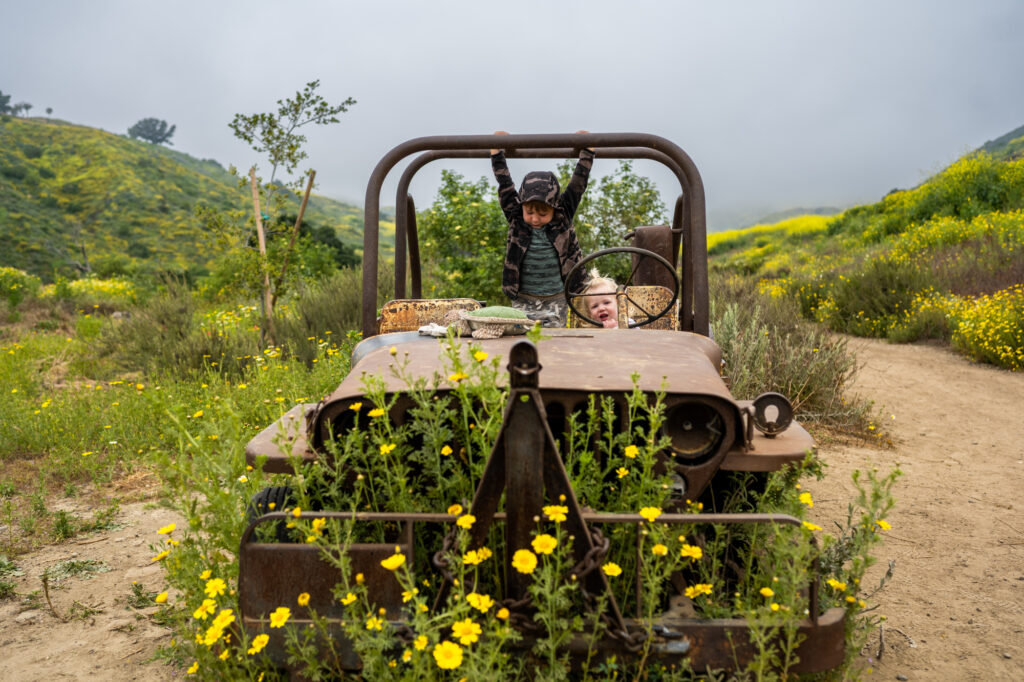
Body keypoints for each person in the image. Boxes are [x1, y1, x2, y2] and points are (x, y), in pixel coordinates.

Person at [490, 130, 595, 327]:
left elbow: (578, 184)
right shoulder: (516, 217)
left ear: (554, 209)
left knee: (554, 339)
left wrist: (587, 151)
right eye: (529, 212)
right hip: (522, 298)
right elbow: (505, 185)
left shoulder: (562, 216)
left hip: (557, 298)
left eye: (542, 214)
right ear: (521, 206)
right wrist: (497, 152)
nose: (535, 219)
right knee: (523, 335)